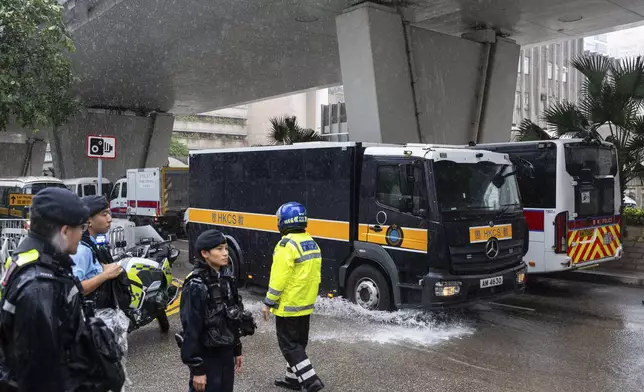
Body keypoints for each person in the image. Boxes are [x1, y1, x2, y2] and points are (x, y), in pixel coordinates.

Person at [0, 188, 97, 391]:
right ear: (64, 231)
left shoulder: (38, 259)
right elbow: (41, 375)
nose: (83, 233)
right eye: (81, 227)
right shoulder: (40, 287)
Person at [263, 202, 324, 392]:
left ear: (284, 221)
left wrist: (268, 302)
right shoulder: (311, 242)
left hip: (288, 306)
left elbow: (278, 278)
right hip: (305, 304)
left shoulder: (286, 245)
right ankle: (293, 379)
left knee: (289, 346)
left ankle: (310, 381)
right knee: (298, 343)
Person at [180, 229, 246, 392]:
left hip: (226, 353)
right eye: (219, 249)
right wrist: (197, 370)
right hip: (207, 357)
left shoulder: (227, 277)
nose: (225, 253)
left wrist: (237, 349)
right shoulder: (196, 285)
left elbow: (233, 316)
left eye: (225, 248)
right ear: (205, 253)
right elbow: (191, 330)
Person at [71, 195, 124, 309]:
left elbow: (92, 270)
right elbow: (75, 288)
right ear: (89, 222)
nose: (109, 219)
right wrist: (105, 275)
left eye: (109, 213)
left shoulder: (92, 243)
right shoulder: (81, 249)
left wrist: (105, 267)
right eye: (104, 214)